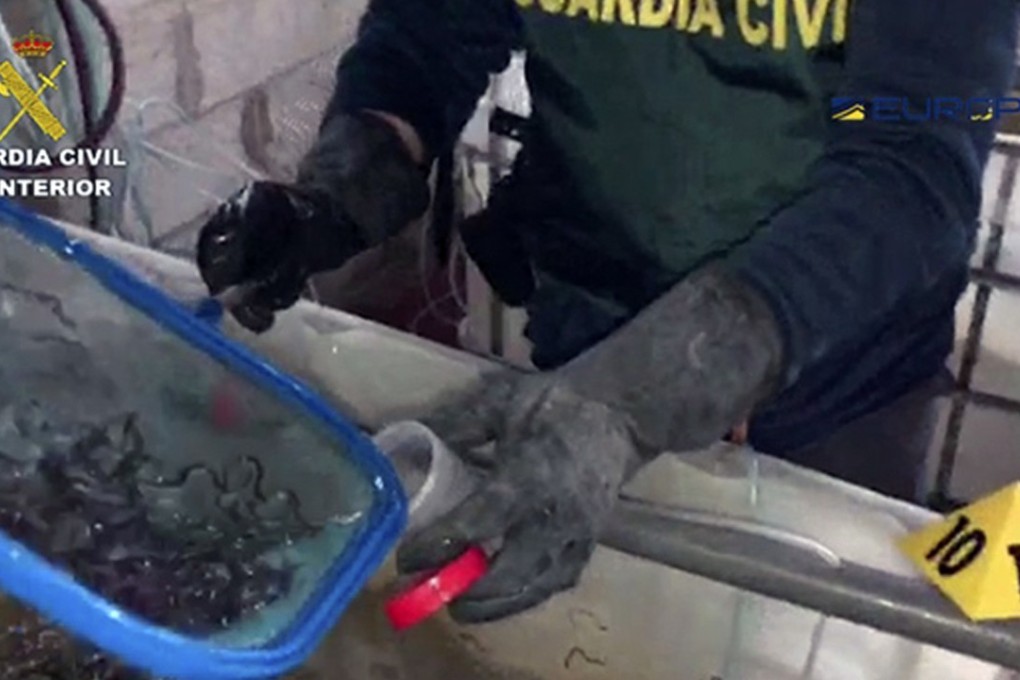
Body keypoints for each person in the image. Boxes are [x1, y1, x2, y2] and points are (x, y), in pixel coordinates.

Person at [196, 0, 1020, 624]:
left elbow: (911, 175)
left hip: (833, 383)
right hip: (588, 335)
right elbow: (426, 37)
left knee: (804, 642)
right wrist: (336, 192)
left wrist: (635, 400)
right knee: (613, 624)